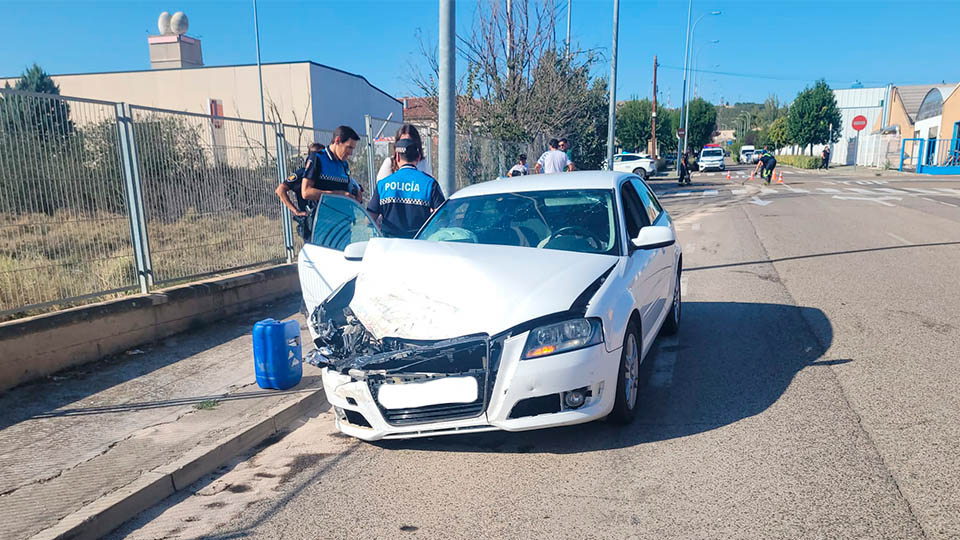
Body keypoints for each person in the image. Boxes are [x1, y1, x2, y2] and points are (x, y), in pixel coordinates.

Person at [367, 138, 445, 238]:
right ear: (418, 158)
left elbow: (369, 219)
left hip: (390, 246)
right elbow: (443, 217)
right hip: (420, 245)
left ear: (397, 157)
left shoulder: (383, 184)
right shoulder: (429, 183)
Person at [276, 142, 325, 240]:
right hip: (310, 222)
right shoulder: (302, 173)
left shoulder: (324, 175)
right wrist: (296, 211)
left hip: (326, 220)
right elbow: (280, 189)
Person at [302, 125, 361, 204]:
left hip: (343, 215)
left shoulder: (344, 164)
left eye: (352, 149)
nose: (351, 153)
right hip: (323, 215)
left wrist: (355, 194)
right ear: (337, 140)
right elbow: (306, 192)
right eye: (349, 147)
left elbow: (346, 192)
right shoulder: (318, 158)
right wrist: (337, 195)